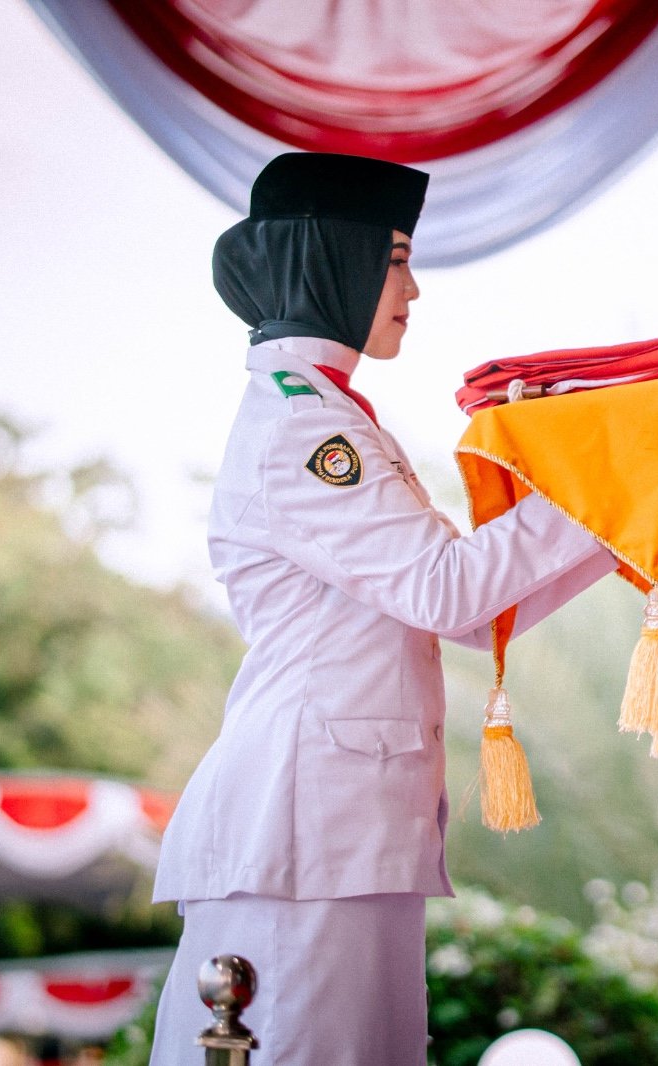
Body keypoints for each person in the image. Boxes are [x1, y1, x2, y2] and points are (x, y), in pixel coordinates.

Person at [148, 152, 616, 1064]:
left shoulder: (329, 415)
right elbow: (447, 587)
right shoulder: (304, 426)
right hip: (302, 836)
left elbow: (470, 614)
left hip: (342, 833)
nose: (413, 288)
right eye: (397, 258)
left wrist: (620, 520)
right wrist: (607, 485)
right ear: (336, 258)